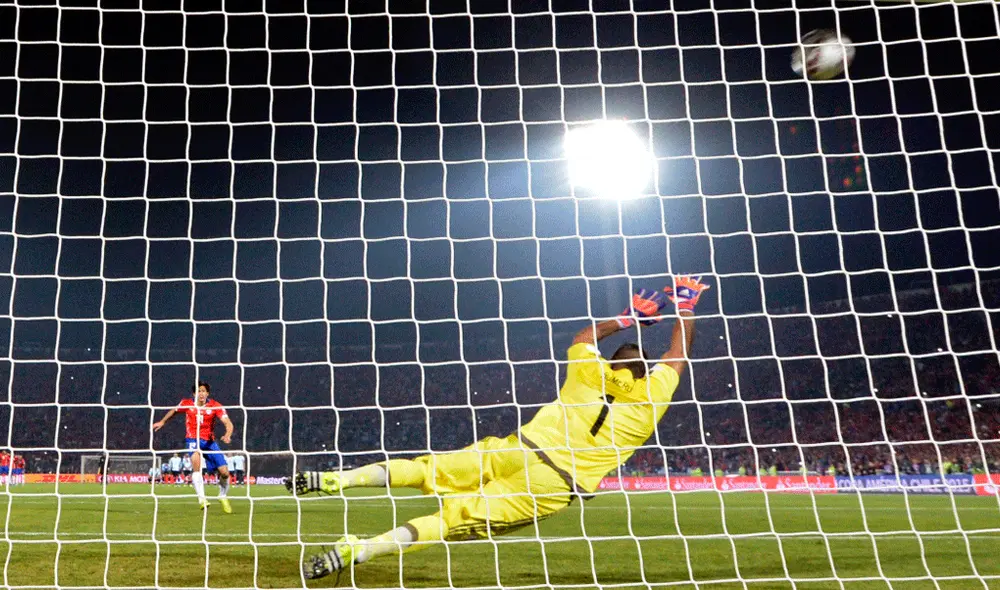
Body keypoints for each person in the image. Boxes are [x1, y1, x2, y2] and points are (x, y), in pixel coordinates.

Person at [286, 276, 709, 579]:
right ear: (645, 371)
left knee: (426, 468)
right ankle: (358, 550)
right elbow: (676, 356)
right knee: (452, 519)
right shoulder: (654, 398)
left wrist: (628, 316)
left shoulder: (587, 370)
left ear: (611, 361)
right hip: (555, 483)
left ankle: (336, 479)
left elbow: (582, 337)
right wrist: (686, 308)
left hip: (519, 447)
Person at [153, 382, 235, 513]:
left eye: (203, 391)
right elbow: (174, 411)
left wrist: (227, 434)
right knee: (196, 465)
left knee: (225, 472)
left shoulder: (215, 406)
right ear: (194, 394)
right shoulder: (187, 403)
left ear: (207, 393)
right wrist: (163, 421)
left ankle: (222, 495)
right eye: (198, 391)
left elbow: (228, 423)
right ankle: (202, 499)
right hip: (193, 439)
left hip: (209, 442)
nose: (201, 394)